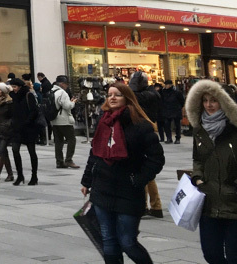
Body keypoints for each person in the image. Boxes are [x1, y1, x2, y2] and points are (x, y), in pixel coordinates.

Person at [80, 82, 165, 264]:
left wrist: (139, 179)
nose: (112, 98)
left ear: (127, 98)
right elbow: (95, 153)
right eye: (109, 94)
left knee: (128, 242)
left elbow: (156, 158)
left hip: (128, 192)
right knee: (109, 242)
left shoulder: (140, 125)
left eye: (117, 94)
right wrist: (86, 181)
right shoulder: (103, 123)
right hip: (102, 189)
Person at [186, 79, 237, 264]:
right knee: (211, 254)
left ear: (225, 102)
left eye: (214, 100)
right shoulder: (199, 130)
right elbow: (198, 159)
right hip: (209, 202)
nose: (209, 105)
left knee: (236, 257)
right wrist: (198, 178)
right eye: (205, 100)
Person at [130, 71, 164, 218]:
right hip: (148, 127)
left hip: (144, 128)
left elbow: (135, 96)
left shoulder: (146, 95)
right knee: (147, 172)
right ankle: (155, 206)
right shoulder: (152, 93)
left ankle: (145, 205)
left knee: (142, 168)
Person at [8, 77, 40, 185]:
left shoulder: (28, 95)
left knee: (32, 152)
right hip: (17, 128)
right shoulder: (13, 96)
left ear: (20, 87)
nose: (14, 89)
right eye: (12, 87)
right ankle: (20, 175)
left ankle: (34, 176)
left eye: (15, 87)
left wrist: (26, 122)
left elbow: (34, 111)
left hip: (29, 128)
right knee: (15, 150)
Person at [48, 75, 78, 169]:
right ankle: (69, 160)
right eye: (66, 84)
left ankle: (59, 161)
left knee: (58, 141)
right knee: (72, 139)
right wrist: (73, 102)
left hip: (54, 120)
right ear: (62, 84)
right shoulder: (62, 93)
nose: (67, 86)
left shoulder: (51, 91)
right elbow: (67, 106)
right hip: (64, 120)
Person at [159, 79, 185, 145]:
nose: (166, 86)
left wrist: (179, 107)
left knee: (177, 125)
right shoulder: (163, 92)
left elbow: (182, 101)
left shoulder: (177, 92)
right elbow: (161, 101)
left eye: (167, 84)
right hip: (166, 110)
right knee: (167, 125)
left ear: (170, 85)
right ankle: (169, 138)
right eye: (165, 85)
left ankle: (177, 138)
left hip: (175, 110)